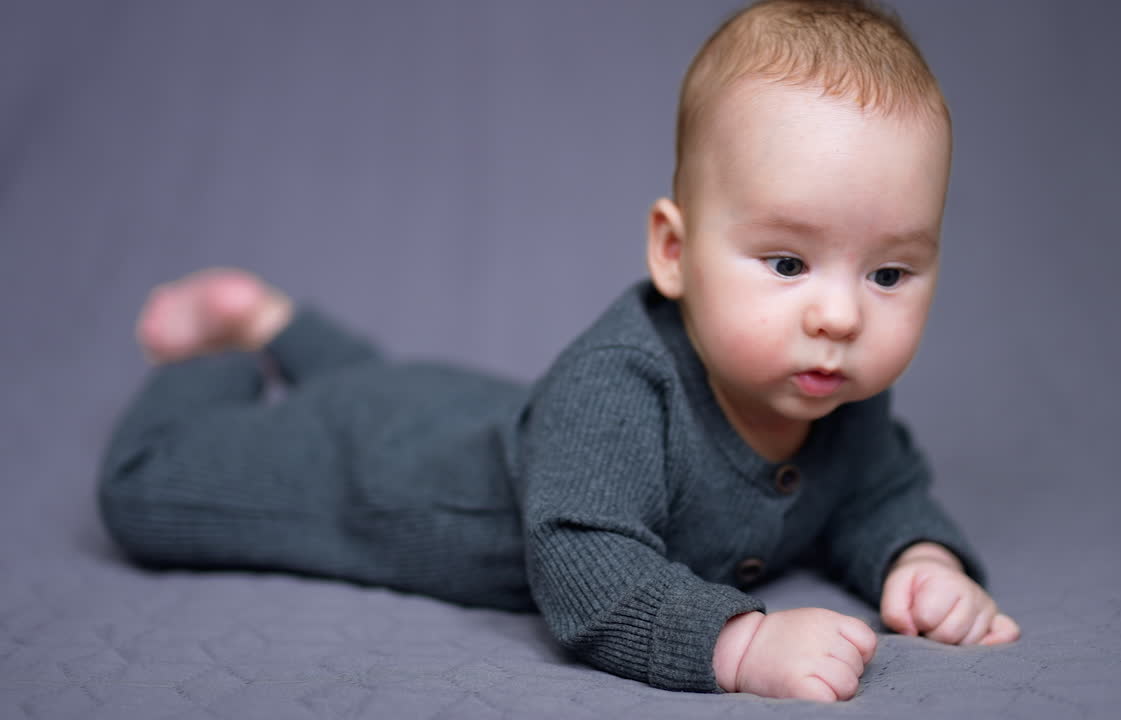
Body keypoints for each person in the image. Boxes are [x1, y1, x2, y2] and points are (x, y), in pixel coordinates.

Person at [98, 0, 1020, 703]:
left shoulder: (833, 388)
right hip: (387, 479)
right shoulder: (614, 389)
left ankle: (274, 319)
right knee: (150, 492)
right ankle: (215, 357)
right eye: (787, 261)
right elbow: (590, 573)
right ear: (674, 251)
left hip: (467, 411)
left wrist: (921, 562)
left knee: (393, 387)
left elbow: (875, 492)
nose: (840, 315)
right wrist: (737, 644)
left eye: (890, 275)